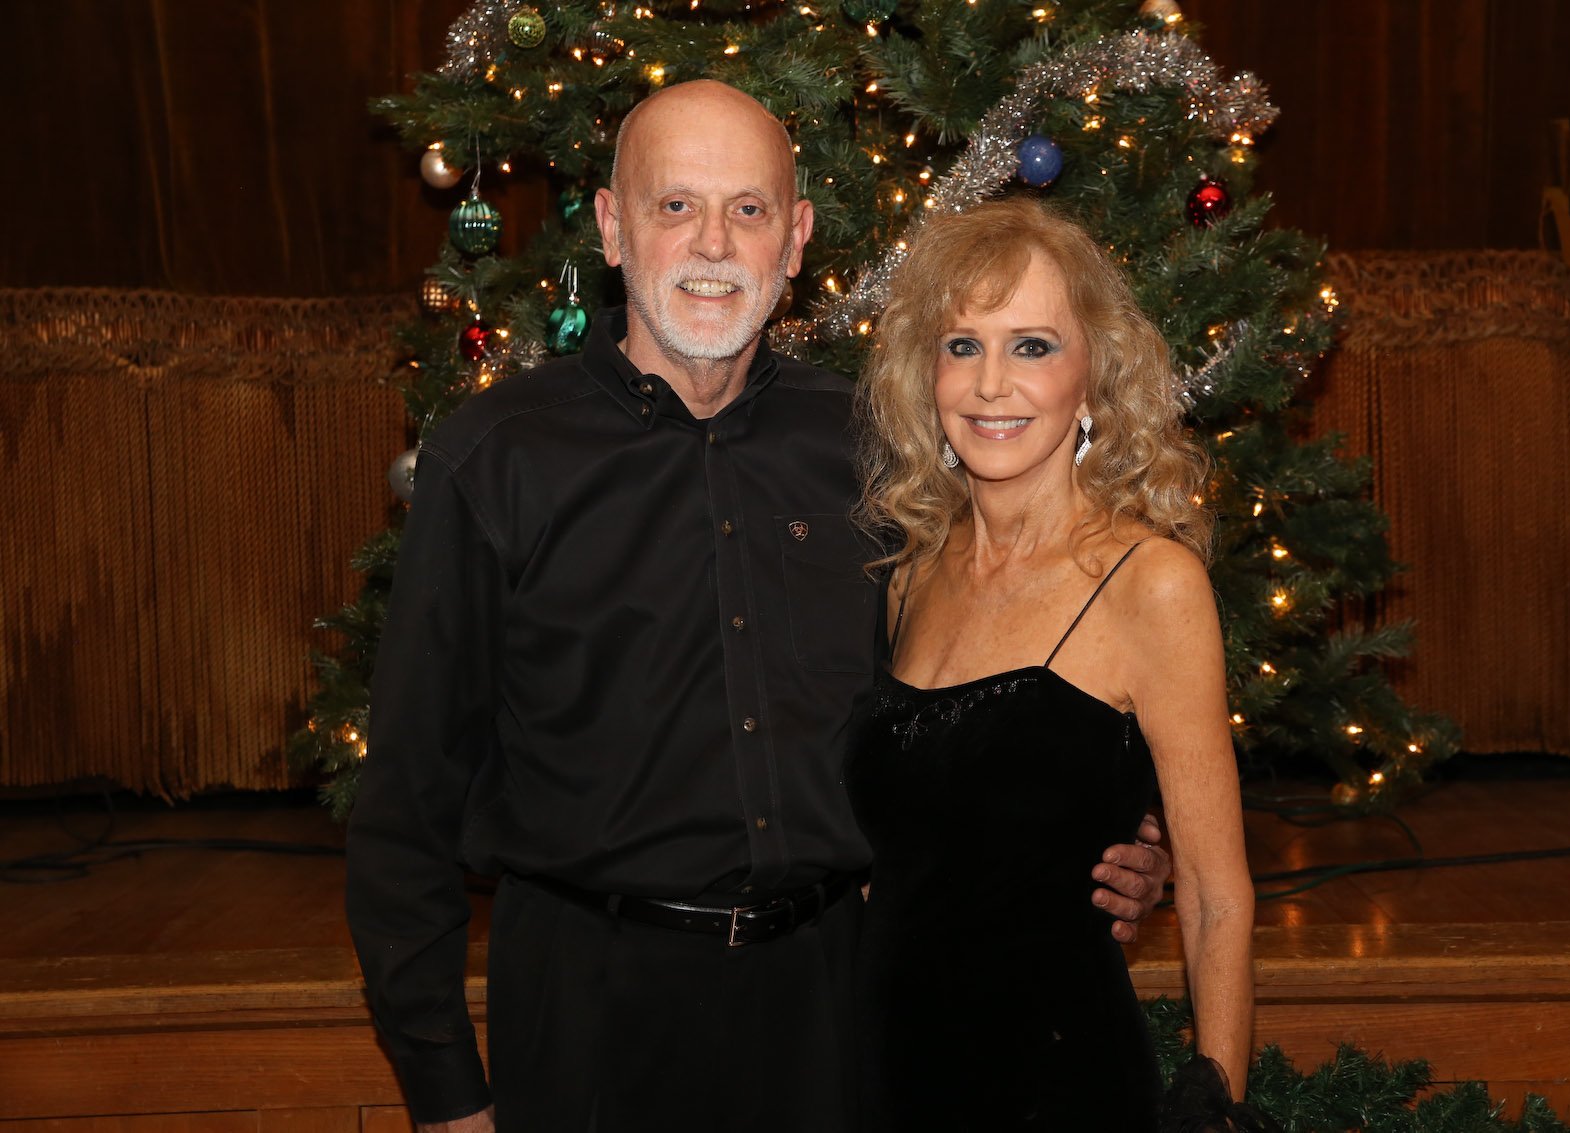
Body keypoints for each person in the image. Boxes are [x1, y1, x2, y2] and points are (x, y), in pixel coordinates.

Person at [344, 81, 1169, 1133]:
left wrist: (1121, 833)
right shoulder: (495, 459)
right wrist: (445, 1091)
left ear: (795, 239)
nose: (713, 243)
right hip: (590, 1014)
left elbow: (1006, 654)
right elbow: (406, 804)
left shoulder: (876, 451)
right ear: (612, 228)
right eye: (674, 206)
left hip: (833, 1005)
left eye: (748, 209)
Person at [850, 197, 1259, 1130]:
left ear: (1093, 377)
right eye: (962, 346)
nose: (991, 383)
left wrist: (1217, 1105)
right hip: (889, 1074)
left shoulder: (1151, 582)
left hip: (1060, 1086)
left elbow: (1215, 894)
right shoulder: (909, 573)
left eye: (1032, 346)